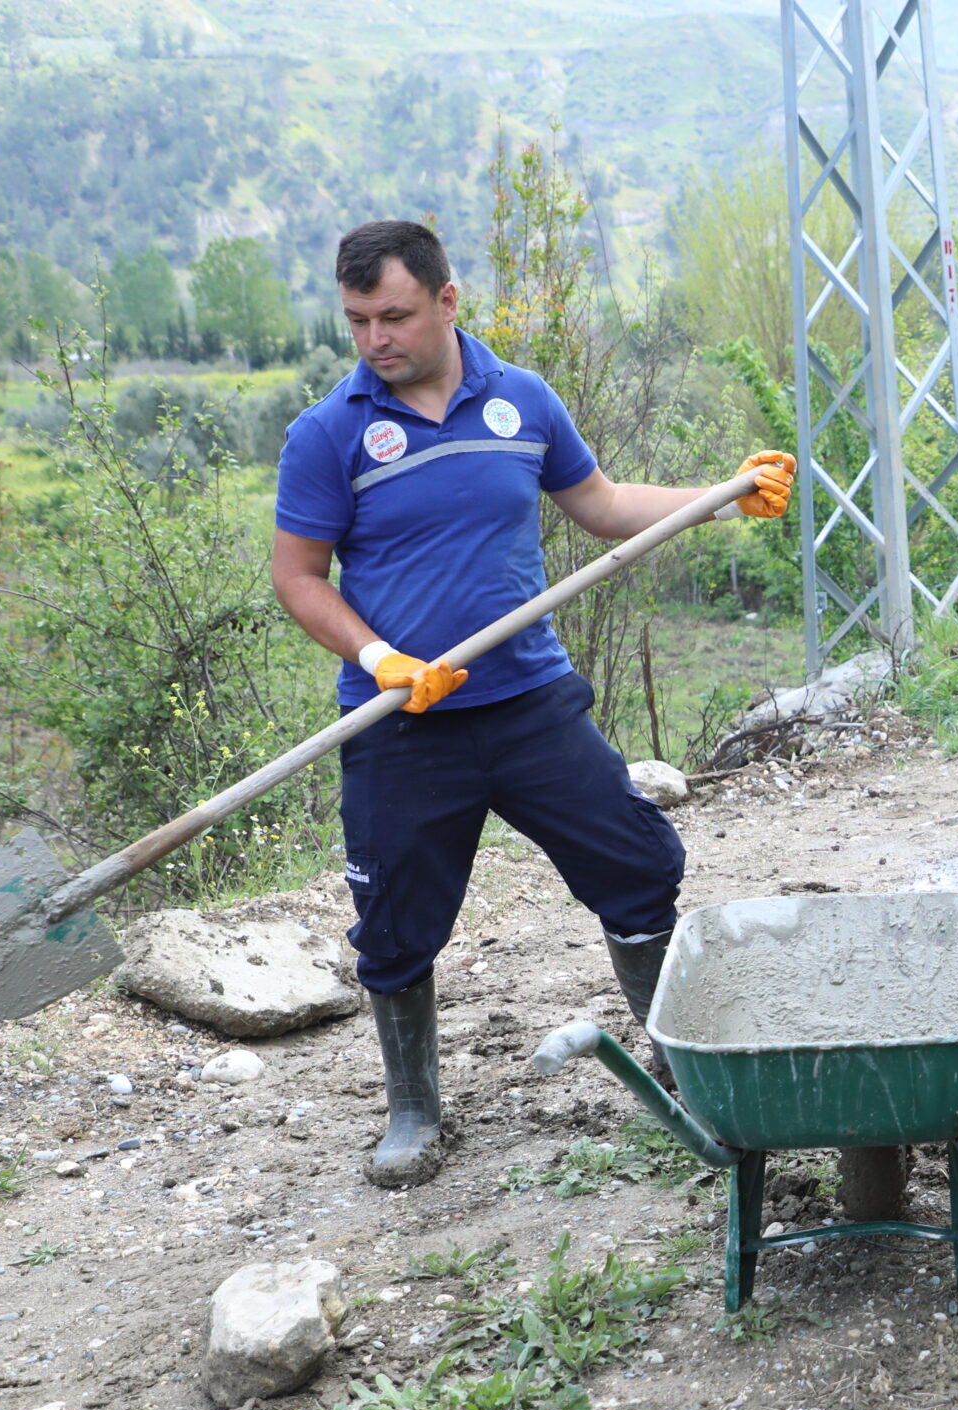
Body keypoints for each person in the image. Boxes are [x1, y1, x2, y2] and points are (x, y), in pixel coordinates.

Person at [270, 218, 796, 1187]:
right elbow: (299, 578)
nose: (375, 339)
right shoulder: (330, 433)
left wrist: (721, 494)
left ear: (446, 300)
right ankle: (415, 1108)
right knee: (392, 925)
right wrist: (380, 656)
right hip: (403, 722)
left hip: (528, 701)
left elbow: (596, 505)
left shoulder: (521, 401)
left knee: (638, 865)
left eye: (393, 316)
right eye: (356, 321)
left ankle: (687, 1071)